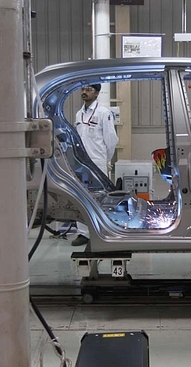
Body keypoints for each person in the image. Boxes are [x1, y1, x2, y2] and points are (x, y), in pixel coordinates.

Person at [72, 84, 119, 246]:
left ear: (97, 93)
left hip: (98, 162)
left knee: (100, 197)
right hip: (80, 163)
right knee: (81, 196)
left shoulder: (103, 113)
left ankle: (100, 230)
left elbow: (111, 140)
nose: (84, 92)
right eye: (83, 89)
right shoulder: (79, 114)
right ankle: (83, 233)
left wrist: (105, 159)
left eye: (89, 89)